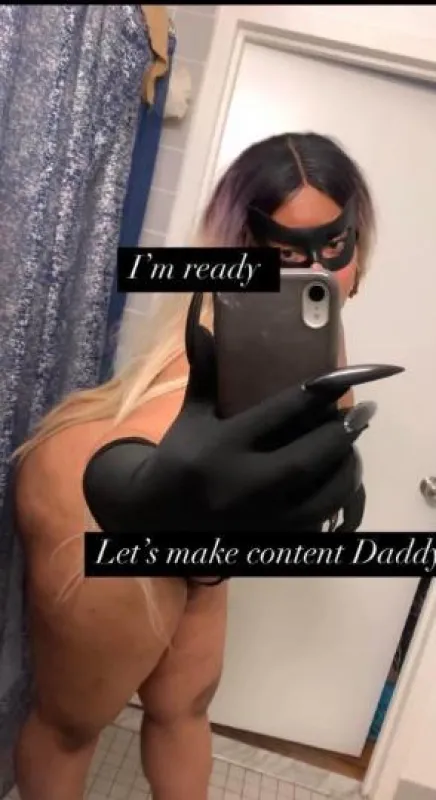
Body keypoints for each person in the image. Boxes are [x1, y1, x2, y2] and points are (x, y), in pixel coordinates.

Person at [13, 132, 376, 800]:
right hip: (101, 506)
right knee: (72, 726)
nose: (317, 274)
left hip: (201, 524)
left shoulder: (321, 331)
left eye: (334, 248)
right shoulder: (212, 337)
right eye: (285, 255)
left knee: (185, 704)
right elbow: (136, 457)